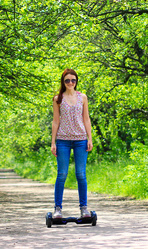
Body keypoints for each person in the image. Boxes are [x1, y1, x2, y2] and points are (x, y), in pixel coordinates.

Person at [51, 68, 93, 219]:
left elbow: (86, 119)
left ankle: (84, 208)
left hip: (81, 140)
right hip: (63, 140)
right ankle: (58, 209)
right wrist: (53, 142)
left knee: (80, 174)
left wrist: (90, 138)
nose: (70, 83)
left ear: (76, 81)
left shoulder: (83, 97)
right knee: (62, 174)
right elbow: (56, 121)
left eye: (73, 80)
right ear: (63, 81)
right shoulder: (58, 99)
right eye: (67, 80)